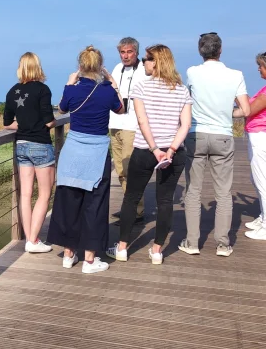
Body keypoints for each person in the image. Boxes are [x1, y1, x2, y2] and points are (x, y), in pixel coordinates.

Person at [107, 45, 192, 265]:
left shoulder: (141, 88)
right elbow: (186, 125)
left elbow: (142, 122)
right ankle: (156, 251)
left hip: (146, 152)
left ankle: (122, 248)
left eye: (146, 59)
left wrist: (155, 149)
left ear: (156, 62)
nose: (143, 62)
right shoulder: (181, 90)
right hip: (173, 154)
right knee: (165, 201)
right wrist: (171, 149)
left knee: (131, 198)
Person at [47, 46, 125, 274]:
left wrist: (70, 83)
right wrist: (112, 81)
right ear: (100, 66)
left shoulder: (73, 89)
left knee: (69, 202)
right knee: (94, 205)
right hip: (97, 153)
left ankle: (69, 254)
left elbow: (61, 109)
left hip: (72, 151)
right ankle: (90, 260)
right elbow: (121, 110)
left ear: (80, 66)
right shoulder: (106, 90)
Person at [179, 33, 251, 257]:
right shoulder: (236, 74)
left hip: (197, 134)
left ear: (201, 51)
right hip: (223, 136)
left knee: (193, 191)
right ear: (221, 50)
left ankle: (192, 242)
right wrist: (228, 114)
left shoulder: (192, 72)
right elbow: (246, 111)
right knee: (223, 193)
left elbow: (185, 100)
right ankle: (222, 244)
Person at [3, 52, 55, 253]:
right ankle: (33, 240)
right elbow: (49, 120)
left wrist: (23, 123)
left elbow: (7, 124)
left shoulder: (12, 91)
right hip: (40, 144)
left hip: (21, 144)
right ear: (37, 67)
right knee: (44, 193)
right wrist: (46, 123)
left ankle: (29, 239)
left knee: (25, 194)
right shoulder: (43, 89)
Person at [109, 37, 151, 224]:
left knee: (129, 170)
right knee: (119, 170)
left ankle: (135, 210)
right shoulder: (117, 69)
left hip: (133, 126)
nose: (125, 56)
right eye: (122, 52)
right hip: (115, 123)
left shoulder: (144, 69)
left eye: (129, 52)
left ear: (137, 52)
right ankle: (130, 207)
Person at [239, 52, 266, 240]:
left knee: (262, 180)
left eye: (261, 66)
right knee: (255, 178)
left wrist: (236, 93)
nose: (258, 69)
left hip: (260, 137)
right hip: (256, 136)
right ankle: (263, 216)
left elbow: (250, 110)